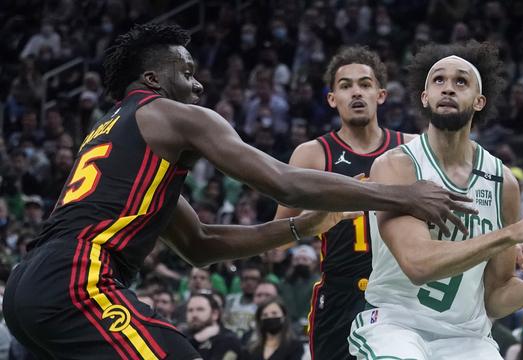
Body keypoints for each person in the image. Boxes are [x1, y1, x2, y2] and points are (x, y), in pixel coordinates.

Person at [1, 24, 473, 359]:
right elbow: (279, 180)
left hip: (28, 291)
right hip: (77, 281)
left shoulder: (113, 136)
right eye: (186, 73)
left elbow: (201, 245)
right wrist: (400, 195)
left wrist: (295, 229)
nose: (198, 84)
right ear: (153, 80)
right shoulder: (171, 114)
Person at [348, 41, 523, 359]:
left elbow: (495, 297)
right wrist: (512, 233)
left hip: (468, 336)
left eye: (460, 81)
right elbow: (417, 264)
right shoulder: (397, 165)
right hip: (396, 327)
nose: (448, 88)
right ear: (425, 97)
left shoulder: (502, 181)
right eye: (438, 80)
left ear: (479, 101)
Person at [274, 45, 416, 360]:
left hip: (401, 292)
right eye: (345, 85)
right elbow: (274, 246)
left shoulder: (412, 148)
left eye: (365, 84)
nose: (356, 92)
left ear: (381, 94)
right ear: (332, 99)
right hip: (340, 294)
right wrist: (311, 222)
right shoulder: (311, 154)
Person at [186, 293, 244, 360]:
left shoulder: (228, 339)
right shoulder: (183, 336)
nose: (194, 315)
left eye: (200, 309)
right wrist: (195, 340)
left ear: (215, 314)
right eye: (190, 310)